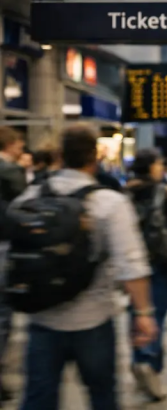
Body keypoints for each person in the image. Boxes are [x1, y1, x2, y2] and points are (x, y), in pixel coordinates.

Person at [15, 124, 156, 410]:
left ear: (60, 156)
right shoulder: (109, 203)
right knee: (102, 396)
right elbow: (131, 264)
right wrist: (142, 313)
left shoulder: (29, 198)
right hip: (93, 319)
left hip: (42, 319)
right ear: (95, 158)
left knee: (38, 399)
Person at [125, 149, 167, 401]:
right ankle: (150, 363)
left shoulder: (124, 193)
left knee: (136, 311)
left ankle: (139, 357)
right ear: (151, 167)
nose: (162, 168)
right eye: (159, 164)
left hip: (132, 263)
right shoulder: (166, 192)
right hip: (160, 261)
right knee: (157, 312)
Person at [0, 127, 26, 402]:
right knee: (3, 313)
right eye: (19, 144)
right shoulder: (9, 171)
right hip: (4, 246)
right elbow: (23, 206)